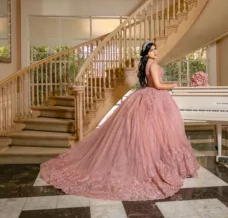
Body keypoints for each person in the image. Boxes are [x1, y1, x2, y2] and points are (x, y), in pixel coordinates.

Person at [40, 40, 200, 201]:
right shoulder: (151, 65)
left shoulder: (146, 65)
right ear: (146, 53)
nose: (155, 51)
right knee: (156, 133)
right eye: (151, 50)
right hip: (155, 98)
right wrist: (173, 84)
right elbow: (158, 85)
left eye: (155, 49)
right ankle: (154, 165)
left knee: (152, 133)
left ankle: (156, 161)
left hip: (147, 97)